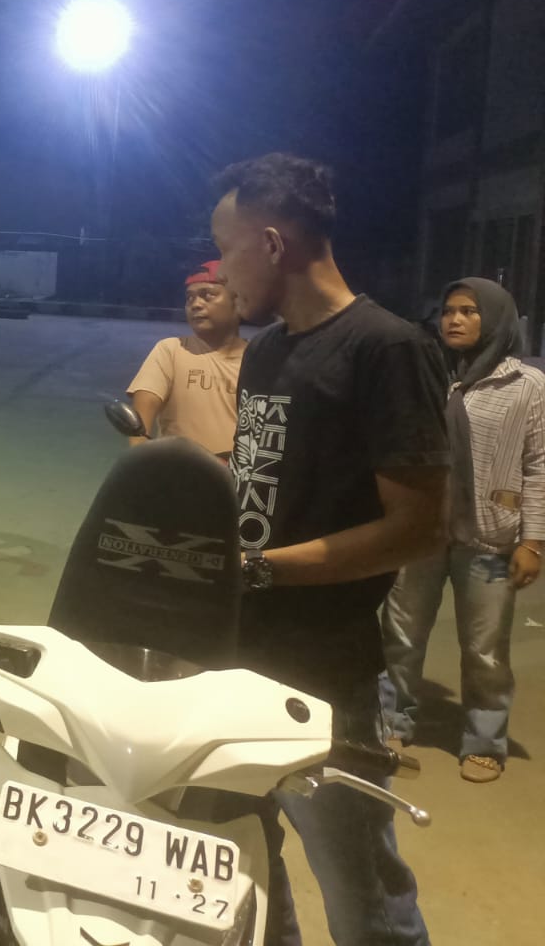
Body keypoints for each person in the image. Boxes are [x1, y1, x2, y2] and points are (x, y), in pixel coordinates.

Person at [210, 153, 447, 946]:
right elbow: (260, 484)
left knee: (360, 891)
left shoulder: (388, 348)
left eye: (228, 250)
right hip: (236, 655)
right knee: (245, 866)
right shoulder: (267, 353)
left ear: (273, 244)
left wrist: (261, 570)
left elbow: (419, 528)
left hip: (327, 674)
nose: (220, 272)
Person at [381, 277, 544, 783]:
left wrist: (533, 541)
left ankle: (484, 739)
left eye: (469, 311)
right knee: (401, 634)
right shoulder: (425, 375)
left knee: (485, 649)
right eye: (449, 310)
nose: (454, 319)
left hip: (490, 537)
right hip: (420, 532)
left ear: (494, 319)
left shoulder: (527, 386)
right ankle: (391, 722)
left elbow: (538, 465)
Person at [126, 259, 246, 455]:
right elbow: (142, 417)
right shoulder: (172, 351)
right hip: (180, 469)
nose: (196, 304)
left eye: (207, 295)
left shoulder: (258, 358)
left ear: (238, 302)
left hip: (238, 472)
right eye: (190, 298)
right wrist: (140, 459)